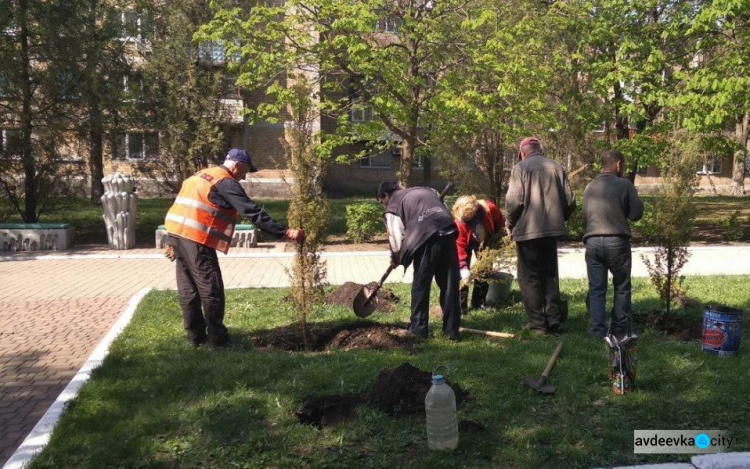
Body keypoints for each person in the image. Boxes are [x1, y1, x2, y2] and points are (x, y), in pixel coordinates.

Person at [164, 148, 305, 348]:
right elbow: (251, 211)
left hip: (176, 234)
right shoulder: (226, 182)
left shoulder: (201, 175)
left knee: (188, 289)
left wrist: (172, 240)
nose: (244, 177)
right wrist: (283, 232)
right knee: (211, 288)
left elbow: (182, 204)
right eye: (245, 171)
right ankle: (219, 341)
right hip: (196, 238)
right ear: (237, 165)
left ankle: (196, 338)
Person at [505, 137, 576, 335]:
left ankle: (537, 324)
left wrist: (509, 223)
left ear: (522, 152)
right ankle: (553, 319)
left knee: (529, 278)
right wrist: (559, 219)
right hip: (551, 231)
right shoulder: (557, 167)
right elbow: (570, 201)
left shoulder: (520, 168)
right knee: (549, 275)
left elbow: (514, 202)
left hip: (527, 231)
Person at [377, 182, 462, 340]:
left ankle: (419, 329)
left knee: (421, 284)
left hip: (427, 236)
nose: (384, 206)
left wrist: (395, 258)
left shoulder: (393, 206)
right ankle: (452, 330)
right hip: (448, 229)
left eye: (382, 202)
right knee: (449, 283)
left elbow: (396, 239)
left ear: (386, 196)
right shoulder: (422, 190)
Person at [582, 150, 644, 339]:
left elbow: (585, 219)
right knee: (622, 286)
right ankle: (620, 329)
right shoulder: (624, 184)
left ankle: (597, 330)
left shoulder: (589, 187)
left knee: (596, 288)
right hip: (617, 242)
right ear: (618, 165)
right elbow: (635, 214)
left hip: (592, 241)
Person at [452, 195, 506, 314]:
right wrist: (463, 267)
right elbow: (459, 246)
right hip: (466, 240)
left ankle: (479, 302)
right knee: (462, 275)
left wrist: (498, 239)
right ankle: (461, 306)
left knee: (484, 269)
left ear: (474, 211)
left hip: (484, 240)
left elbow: (499, 222)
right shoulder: (459, 220)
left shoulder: (489, 208)